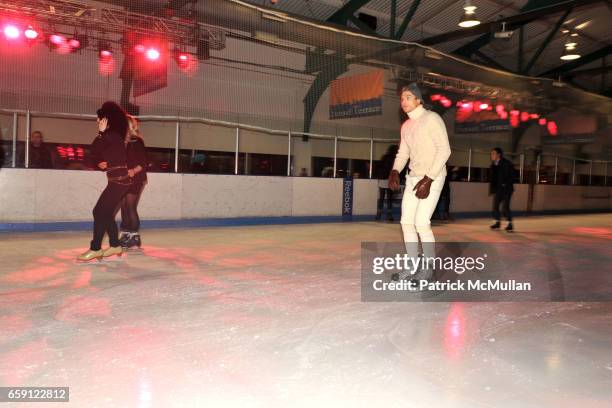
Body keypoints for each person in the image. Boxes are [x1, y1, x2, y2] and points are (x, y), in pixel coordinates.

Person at [388, 83, 451, 282]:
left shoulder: (432, 119)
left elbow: (444, 150)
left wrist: (429, 178)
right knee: (406, 222)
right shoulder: (406, 126)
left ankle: (429, 269)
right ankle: (412, 266)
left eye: (408, 97)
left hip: (433, 177)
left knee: (422, 223)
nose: (403, 101)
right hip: (414, 177)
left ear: (418, 100)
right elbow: (403, 153)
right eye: (402, 98)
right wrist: (395, 171)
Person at [77, 101, 131, 262]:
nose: (97, 121)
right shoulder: (114, 137)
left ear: (106, 120)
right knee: (104, 213)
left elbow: (93, 151)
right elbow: (104, 155)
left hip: (119, 182)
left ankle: (95, 248)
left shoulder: (110, 136)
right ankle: (115, 245)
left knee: (98, 212)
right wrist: (104, 163)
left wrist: (100, 133)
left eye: (99, 119)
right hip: (118, 180)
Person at [119, 115, 148, 249]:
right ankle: (126, 234)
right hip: (125, 178)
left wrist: (132, 171)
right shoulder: (123, 142)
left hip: (136, 178)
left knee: (130, 207)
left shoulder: (137, 141)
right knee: (124, 207)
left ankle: (134, 237)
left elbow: (142, 163)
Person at [489, 147, 514, 232]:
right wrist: (493, 189)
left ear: (498, 155)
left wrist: (505, 184)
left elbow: (510, 175)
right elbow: (493, 179)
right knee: (495, 206)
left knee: (505, 207)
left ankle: (509, 224)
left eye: (493, 154)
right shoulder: (493, 165)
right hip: (498, 189)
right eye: (491, 154)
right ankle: (497, 223)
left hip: (506, 189)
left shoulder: (506, 163)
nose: (491, 155)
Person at [375, 144, 399, 222]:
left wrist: (380, 174)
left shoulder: (385, 157)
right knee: (389, 198)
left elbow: (378, 166)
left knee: (382, 197)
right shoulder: (395, 158)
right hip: (389, 179)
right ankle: (389, 215)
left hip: (383, 178)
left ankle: (379, 214)